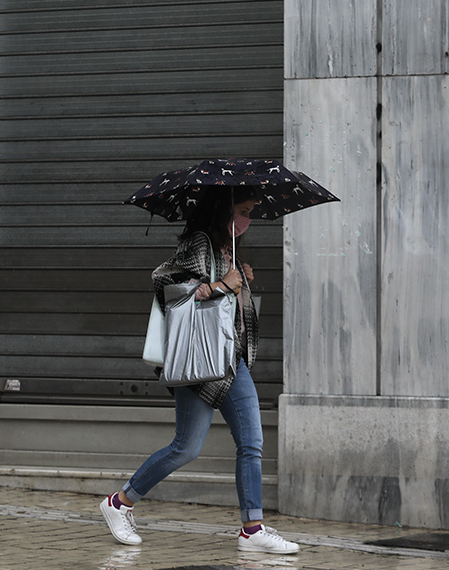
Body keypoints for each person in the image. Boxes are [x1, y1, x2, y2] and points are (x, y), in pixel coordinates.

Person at [99, 186, 300, 554]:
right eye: (243, 210)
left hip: (229, 359)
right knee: (186, 447)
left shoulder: (225, 248)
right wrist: (223, 284)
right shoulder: (199, 242)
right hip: (201, 360)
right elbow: (168, 284)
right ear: (224, 209)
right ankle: (119, 503)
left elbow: (222, 300)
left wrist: (239, 281)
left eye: (251, 211)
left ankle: (252, 529)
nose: (247, 219)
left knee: (251, 443)